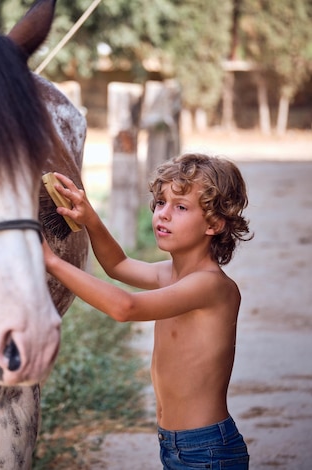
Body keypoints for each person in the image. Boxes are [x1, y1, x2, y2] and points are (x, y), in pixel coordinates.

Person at [42, 152, 252, 469]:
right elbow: (118, 265)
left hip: (206, 450)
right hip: (175, 445)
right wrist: (91, 220)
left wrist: (52, 263)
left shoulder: (211, 286)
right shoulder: (168, 273)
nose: (163, 215)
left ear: (214, 223)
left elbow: (125, 307)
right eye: (160, 203)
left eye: (180, 207)